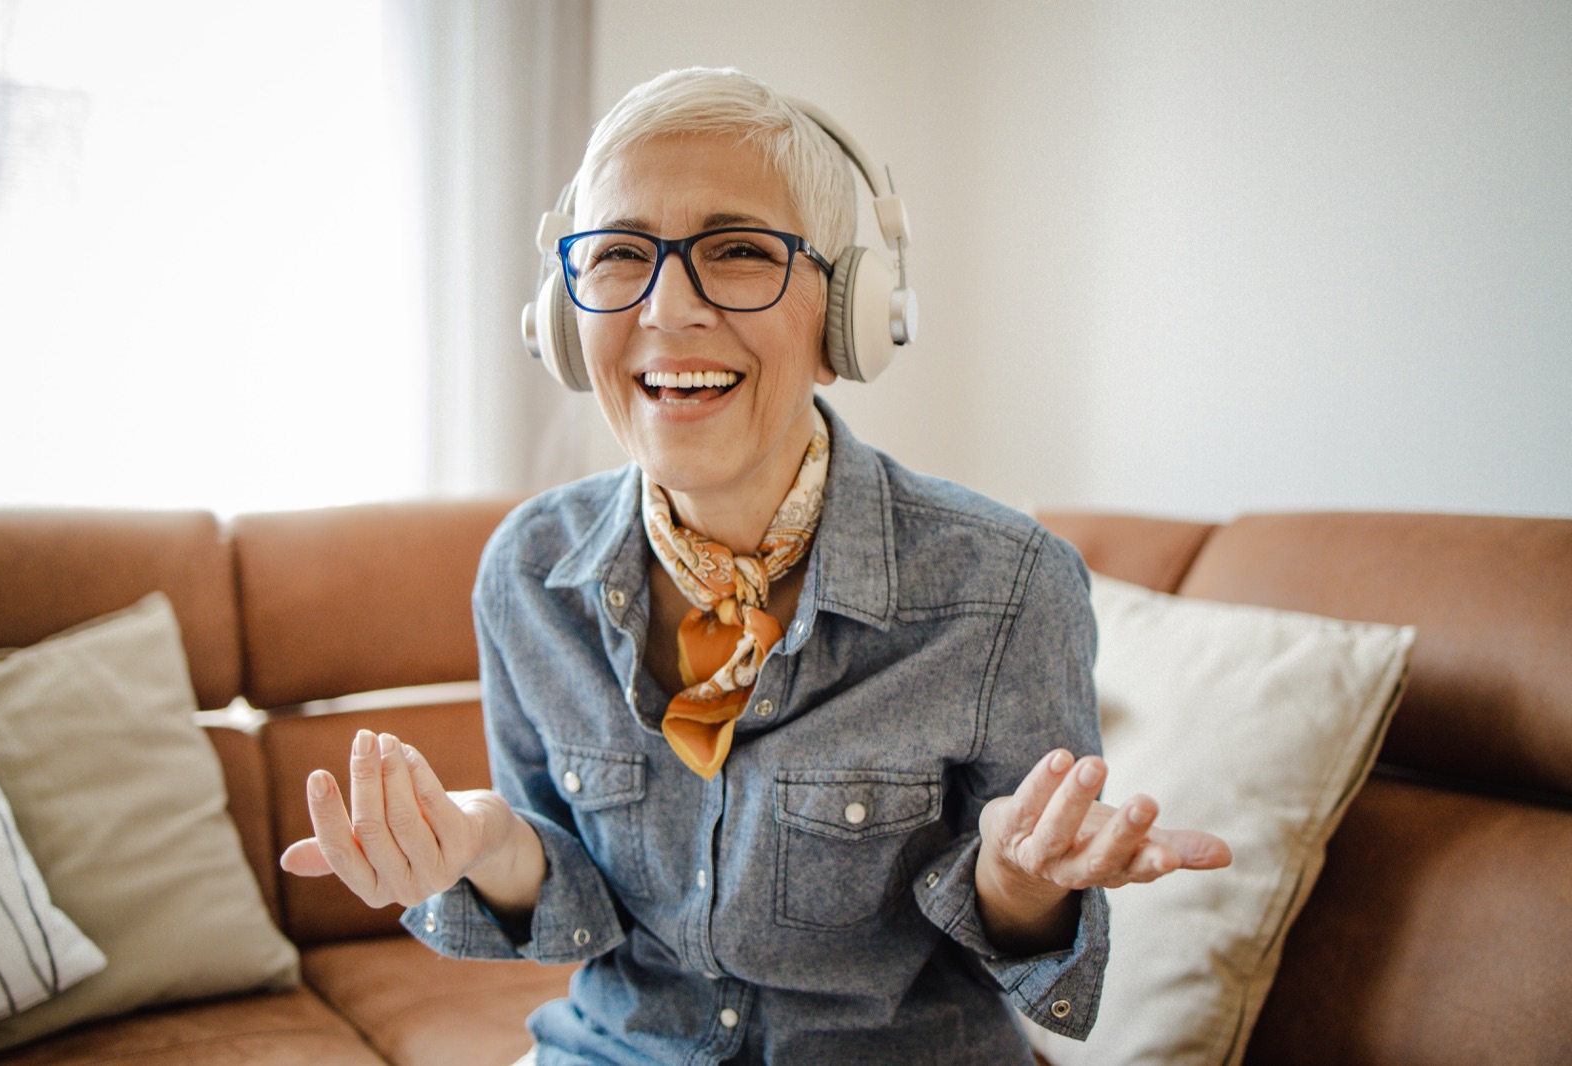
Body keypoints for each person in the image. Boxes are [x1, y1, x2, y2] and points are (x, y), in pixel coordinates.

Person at [281, 67, 1230, 1064]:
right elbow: (578, 903)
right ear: (564, 321)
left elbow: (1021, 940)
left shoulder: (1006, 586)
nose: (669, 307)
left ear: (844, 323)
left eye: (736, 251)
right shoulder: (528, 573)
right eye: (618, 255)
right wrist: (484, 843)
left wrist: (1022, 883)